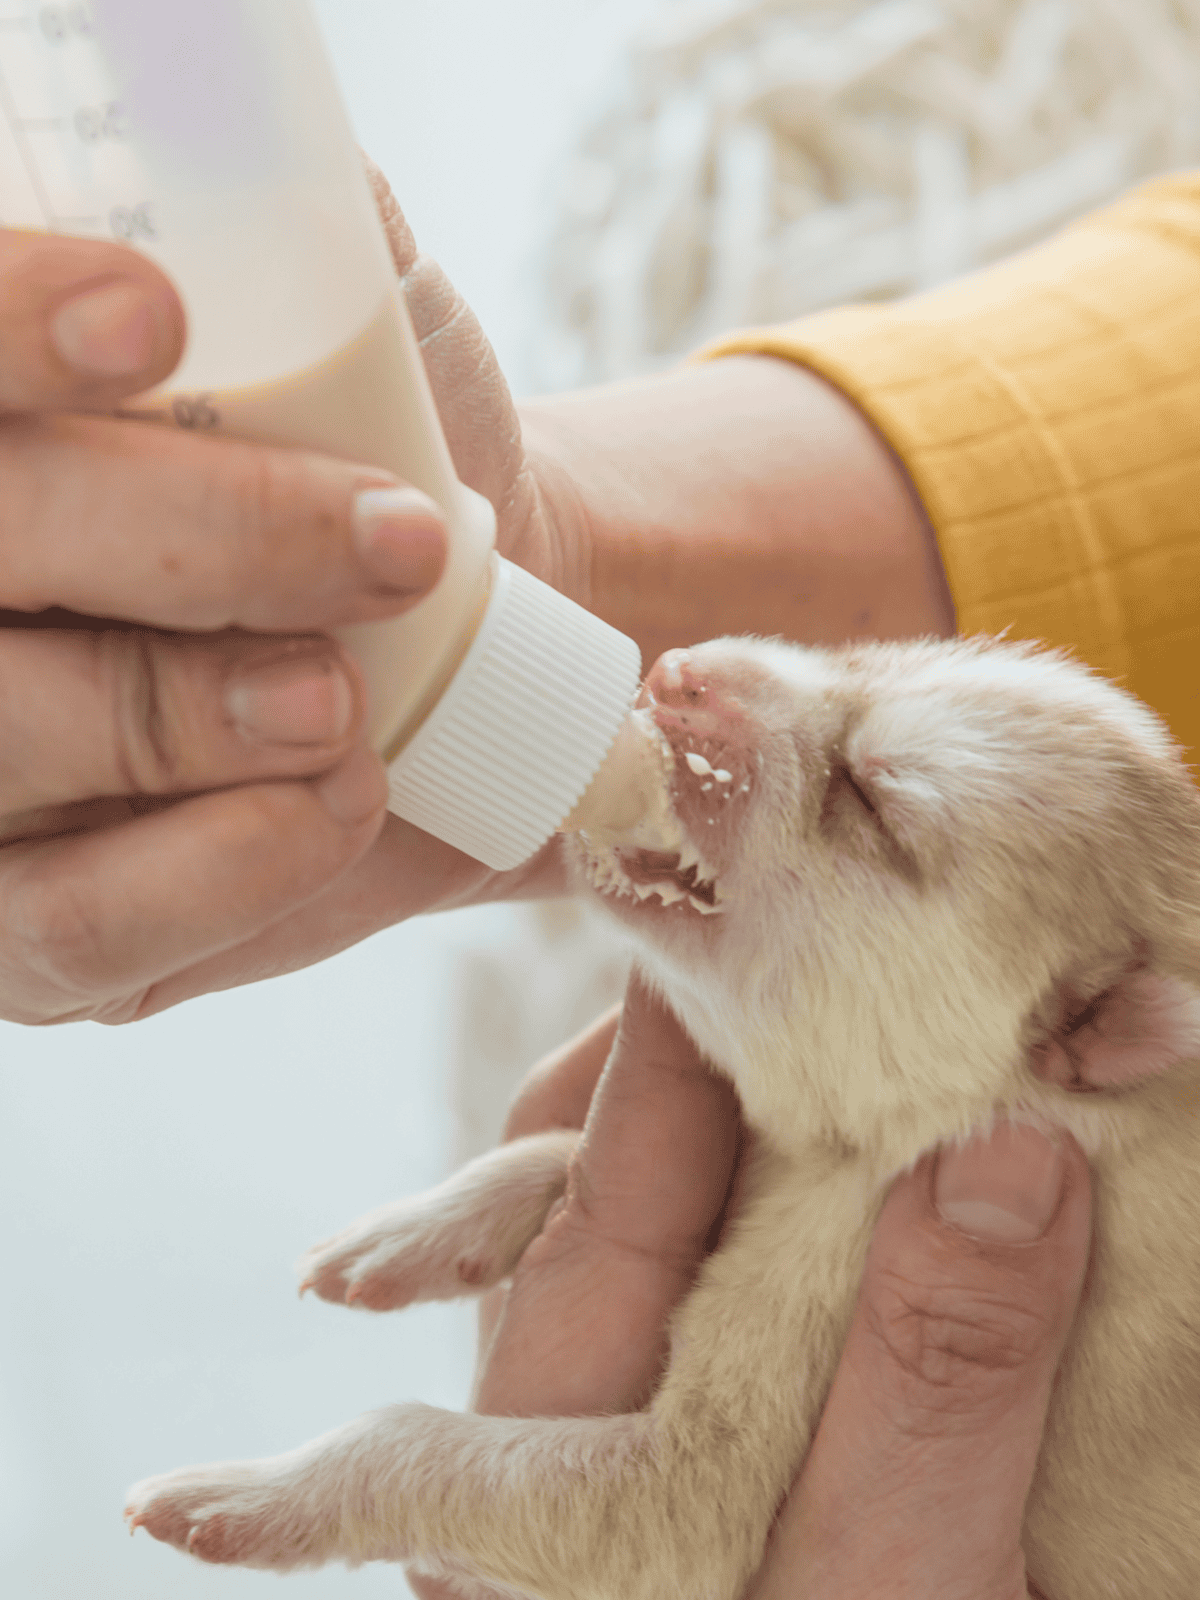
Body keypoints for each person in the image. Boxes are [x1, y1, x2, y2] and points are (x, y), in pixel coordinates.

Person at [3, 154, 1197, 1595]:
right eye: (847, 682)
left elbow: (682, 1506)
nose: (719, 670)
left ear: (1087, 1037)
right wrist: (509, 575)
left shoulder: (1070, 1173)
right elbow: (777, 1240)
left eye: (869, 800)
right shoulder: (941, 1101)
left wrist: (368, 1481)